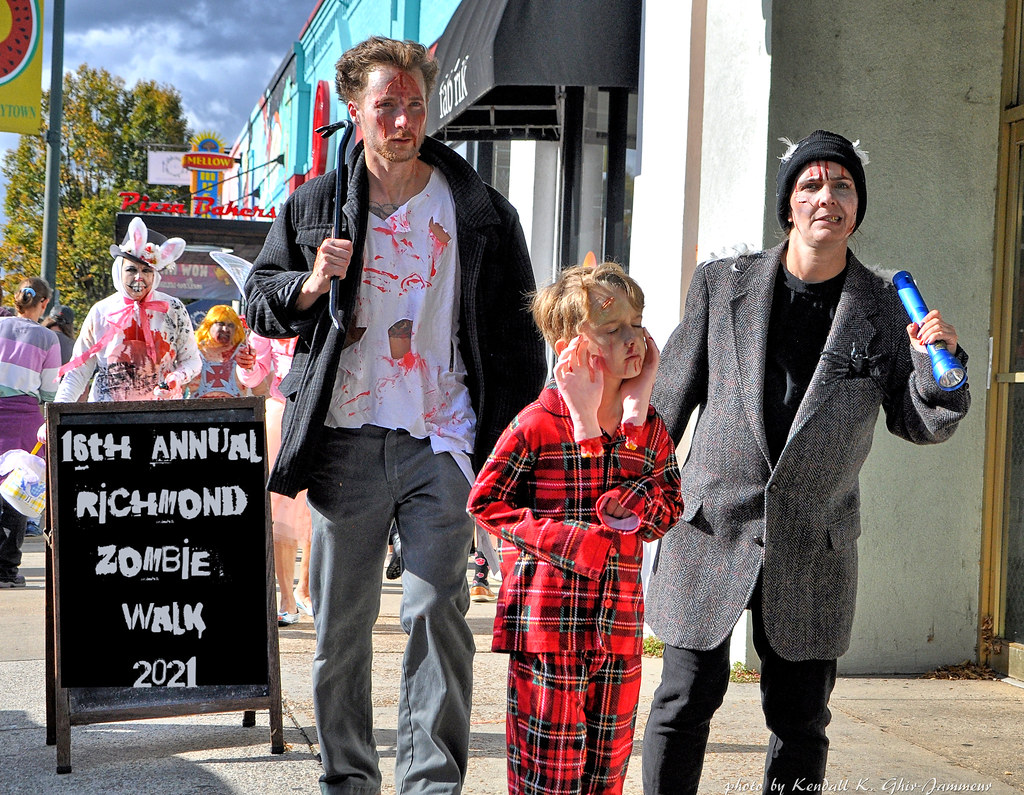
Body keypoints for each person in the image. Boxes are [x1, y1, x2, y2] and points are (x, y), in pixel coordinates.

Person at [244, 36, 545, 794]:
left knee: (438, 607)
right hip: (343, 436)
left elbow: (517, 337)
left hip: (442, 436)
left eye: (415, 105)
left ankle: (431, 780)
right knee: (340, 624)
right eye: (388, 106)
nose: (405, 120)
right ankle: (348, 775)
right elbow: (258, 297)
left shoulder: (478, 210)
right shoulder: (314, 204)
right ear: (355, 110)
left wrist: (511, 443)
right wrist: (308, 287)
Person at [640, 130, 971, 795]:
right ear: (788, 204)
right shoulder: (722, 285)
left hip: (814, 544)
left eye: (843, 185)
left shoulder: (880, 307)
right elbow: (667, 404)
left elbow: (919, 419)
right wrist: (629, 492)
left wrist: (946, 367)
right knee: (682, 702)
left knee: (800, 721)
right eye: (811, 184)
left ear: (858, 206)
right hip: (708, 531)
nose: (828, 197)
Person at [467, 261, 682, 795]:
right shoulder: (537, 424)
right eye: (613, 330)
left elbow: (671, 504)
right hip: (548, 631)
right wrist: (566, 541)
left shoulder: (647, 429)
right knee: (548, 776)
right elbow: (486, 503)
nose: (633, 339)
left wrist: (635, 503)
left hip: (619, 630)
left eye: (637, 324)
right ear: (570, 345)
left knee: (604, 775)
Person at [55, 217, 200, 403]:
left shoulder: (173, 308)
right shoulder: (101, 311)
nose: (139, 278)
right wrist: (55, 416)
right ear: (119, 271)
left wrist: (176, 378)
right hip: (107, 418)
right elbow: (78, 371)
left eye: (147, 271)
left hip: (163, 415)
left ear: (155, 275)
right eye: (131, 270)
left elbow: (192, 361)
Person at [243, 332, 313, 626]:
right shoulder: (269, 311)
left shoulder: (330, 298)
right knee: (281, 506)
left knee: (315, 507)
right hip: (281, 409)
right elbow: (254, 373)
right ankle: (286, 598)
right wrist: (246, 365)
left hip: (323, 411)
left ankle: (306, 590)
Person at [0, 278, 60, 587]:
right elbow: (50, 390)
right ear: (44, 303)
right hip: (24, 416)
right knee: (20, 489)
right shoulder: (47, 339)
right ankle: (6, 569)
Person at [187, 304, 258, 398]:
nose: (225, 329)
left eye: (231, 325)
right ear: (208, 325)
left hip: (236, 410)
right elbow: (178, 389)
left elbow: (261, 390)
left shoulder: (243, 353)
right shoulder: (193, 352)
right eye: (220, 324)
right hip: (197, 410)